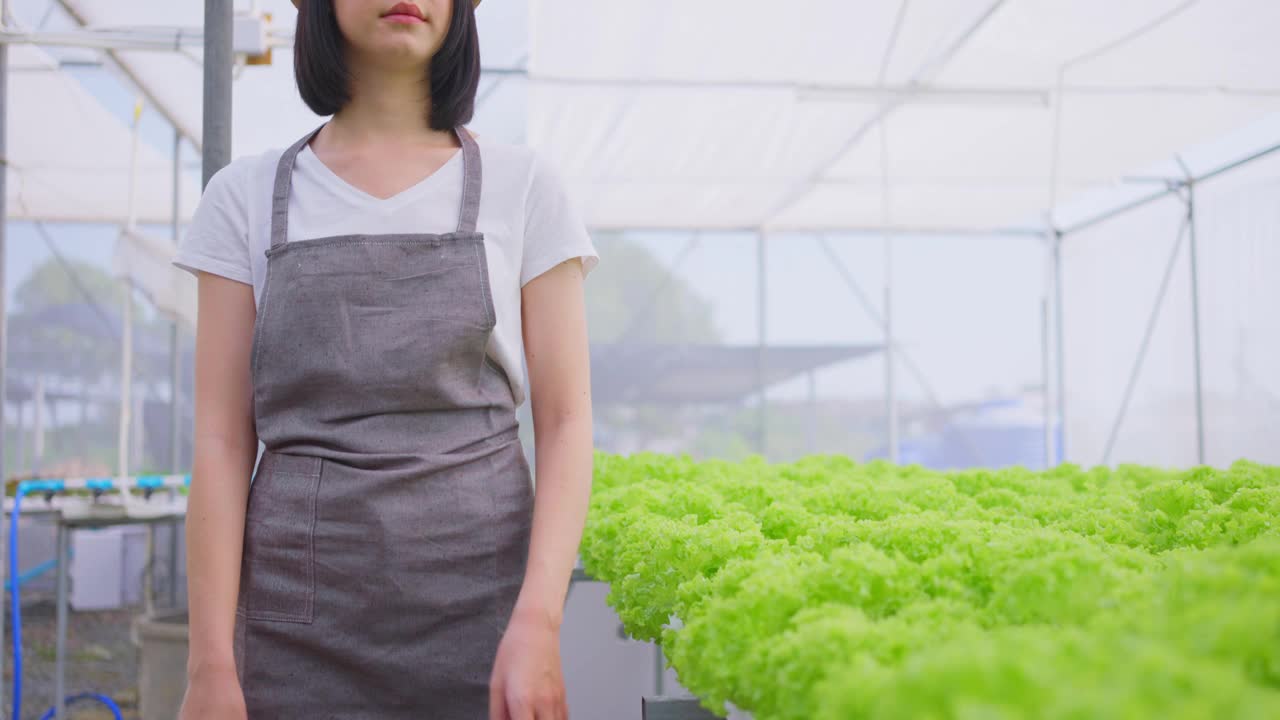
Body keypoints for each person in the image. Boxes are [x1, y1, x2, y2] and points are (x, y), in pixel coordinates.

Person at [171, 0, 598, 717]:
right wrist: (210, 664)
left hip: (485, 622)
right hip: (290, 633)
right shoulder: (243, 197)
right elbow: (219, 440)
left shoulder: (523, 185)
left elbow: (566, 421)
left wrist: (540, 621)